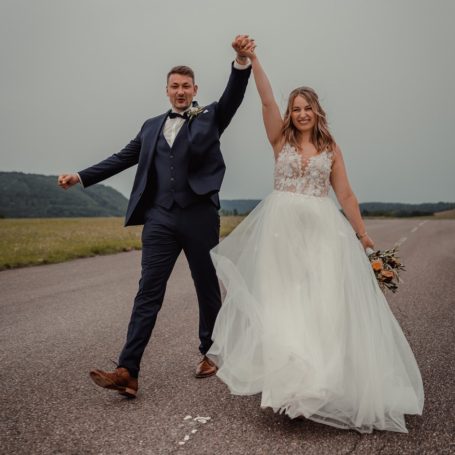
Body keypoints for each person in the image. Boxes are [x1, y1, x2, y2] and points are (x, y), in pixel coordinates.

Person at [207, 41, 424, 433]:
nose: (302, 113)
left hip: (324, 233)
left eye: (308, 108)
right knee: (284, 304)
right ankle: (290, 387)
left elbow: (346, 195)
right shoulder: (280, 139)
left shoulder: (330, 148)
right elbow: (267, 102)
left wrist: (363, 236)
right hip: (280, 231)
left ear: (317, 112)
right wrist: (253, 61)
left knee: (322, 306)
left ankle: (318, 383)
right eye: (297, 108)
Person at [58, 35, 253, 398]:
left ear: (195, 89)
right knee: (148, 292)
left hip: (199, 216)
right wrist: (81, 176)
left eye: (186, 87)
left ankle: (211, 351)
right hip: (160, 219)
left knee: (206, 286)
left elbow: (234, 95)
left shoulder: (211, 116)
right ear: (166, 91)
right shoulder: (150, 127)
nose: (180, 92)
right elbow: (121, 158)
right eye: (174, 87)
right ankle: (127, 370)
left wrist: (241, 62)